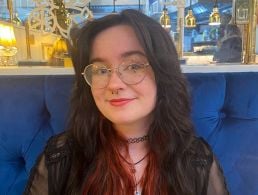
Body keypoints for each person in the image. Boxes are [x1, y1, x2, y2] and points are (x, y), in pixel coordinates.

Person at [24, 9, 228, 195]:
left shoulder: (195, 159)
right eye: (101, 70)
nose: (114, 84)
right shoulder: (62, 157)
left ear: (162, 74)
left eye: (133, 66)